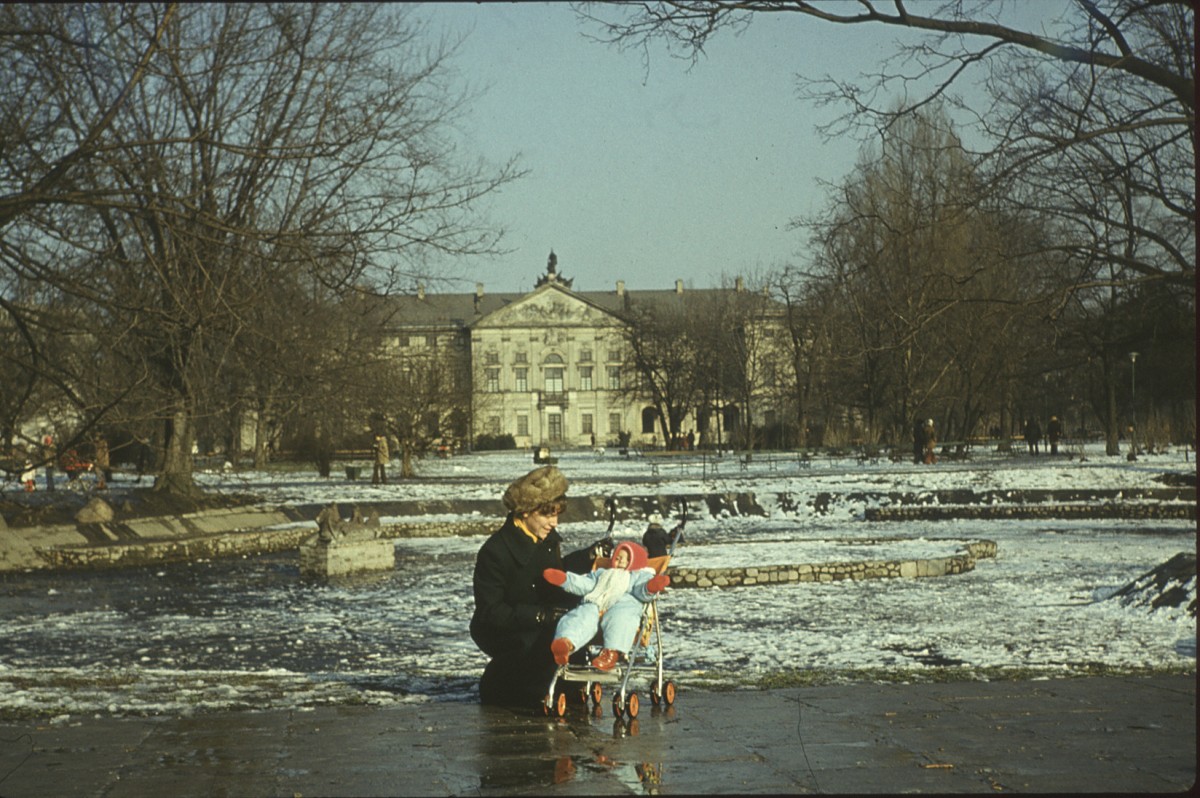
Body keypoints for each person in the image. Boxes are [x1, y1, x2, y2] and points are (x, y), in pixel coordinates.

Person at [470, 465, 606, 706]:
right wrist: (539, 616)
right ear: (524, 512)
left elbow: (553, 573)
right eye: (546, 515)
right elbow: (490, 611)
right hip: (506, 629)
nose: (554, 522)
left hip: (539, 616)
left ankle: (565, 685)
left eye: (557, 514)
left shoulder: (544, 538)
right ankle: (505, 685)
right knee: (536, 647)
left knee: (577, 624)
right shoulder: (495, 551)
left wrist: (588, 557)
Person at [544, 540, 669, 671]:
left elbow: (640, 590)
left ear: (635, 562)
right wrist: (566, 580)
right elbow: (586, 584)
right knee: (580, 615)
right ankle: (566, 643)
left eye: (626, 559)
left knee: (621, 617)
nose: (620, 562)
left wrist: (650, 587)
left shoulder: (639, 575)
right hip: (597, 603)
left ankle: (611, 652)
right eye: (618, 558)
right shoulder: (602, 573)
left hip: (624, 604)